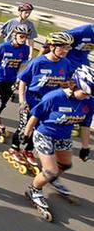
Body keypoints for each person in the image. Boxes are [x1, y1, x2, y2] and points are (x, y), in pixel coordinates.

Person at [23, 65, 93, 218]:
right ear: (75, 86)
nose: (87, 97)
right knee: (51, 170)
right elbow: (35, 115)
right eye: (85, 93)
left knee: (65, 164)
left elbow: (85, 125)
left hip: (63, 136)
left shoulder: (89, 102)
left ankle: (51, 179)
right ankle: (34, 190)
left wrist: (85, 147)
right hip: (44, 134)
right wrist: (26, 134)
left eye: (90, 94)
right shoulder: (55, 97)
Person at [11, 32, 73, 169]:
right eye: (62, 47)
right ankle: (14, 148)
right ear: (52, 47)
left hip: (50, 104)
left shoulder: (66, 63)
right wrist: (22, 101)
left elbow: (66, 82)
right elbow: (23, 81)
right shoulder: (38, 62)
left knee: (39, 129)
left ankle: (28, 151)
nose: (65, 51)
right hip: (33, 99)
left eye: (68, 48)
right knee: (24, 126)